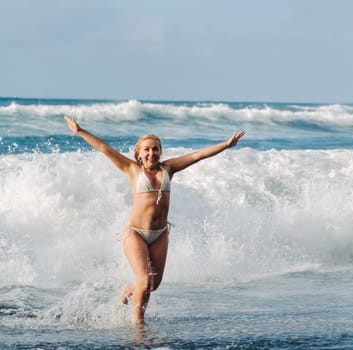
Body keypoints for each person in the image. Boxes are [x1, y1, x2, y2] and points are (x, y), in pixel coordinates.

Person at [64, 116, 245, 325]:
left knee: (152, 285)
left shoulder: (168, 168)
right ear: (139, 154)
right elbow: (105, 148)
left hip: (160, 234)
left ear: (160, 151)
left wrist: (227, 144)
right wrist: (80, 131)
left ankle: (128, 290)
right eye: (147, 149)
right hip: (136, 233)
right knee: (144, 279)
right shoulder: (131, 169)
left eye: (156, 149)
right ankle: (139, 325)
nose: (152, 153)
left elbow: (197, 155)